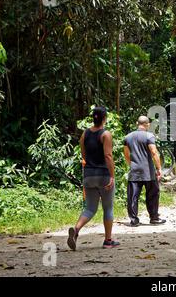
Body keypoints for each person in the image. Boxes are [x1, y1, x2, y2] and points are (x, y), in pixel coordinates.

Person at [67, 107, 119, 250]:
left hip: (88, 174)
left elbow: (83, 155)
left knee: (90, 208)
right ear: (104, 118)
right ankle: (108, 241)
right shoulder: (105, 134)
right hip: (103, 174)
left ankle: (76, 230)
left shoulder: (85, 134)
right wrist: (112, 176)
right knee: (108, 207)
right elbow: (108, 156)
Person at [123, 116, 166, 227]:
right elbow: (154, 152)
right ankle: (154, 218)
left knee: (133, 196)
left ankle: (134, 220)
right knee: (152, 195)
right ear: (147, 124)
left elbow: (126, 154)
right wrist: (159, 168)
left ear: (137, 123)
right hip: (148, 172)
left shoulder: (128, 137)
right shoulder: (149, 136)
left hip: (135, 171)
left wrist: (131, 164)